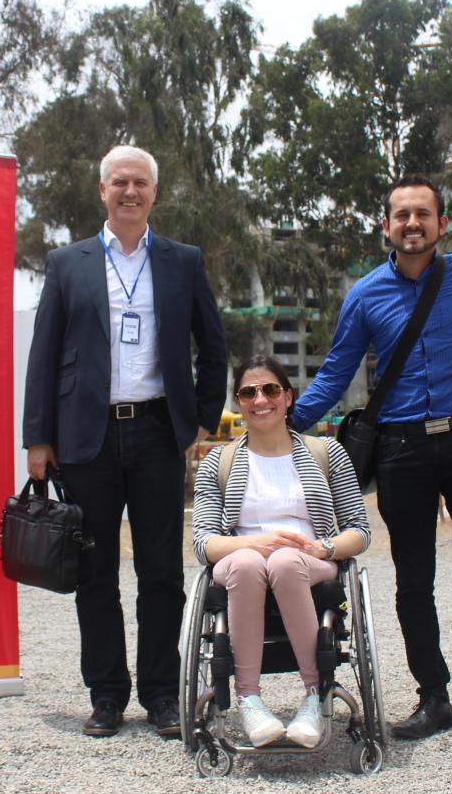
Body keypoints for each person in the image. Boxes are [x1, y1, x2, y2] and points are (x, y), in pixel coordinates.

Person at [289, 175, 452, 743]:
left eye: (424, 214)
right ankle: (433, 698)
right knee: (413, 582)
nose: (413, 224)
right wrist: (278, 426)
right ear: (386, 227)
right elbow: (335, 373)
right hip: (402, 450)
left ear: (442, 224)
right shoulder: (365, 294)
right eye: (402, 215)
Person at [23, 145, 227, 739]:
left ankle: (162, 693)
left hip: (161, 433)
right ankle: (107, 695)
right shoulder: (68, 263)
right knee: (95, 572)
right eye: (119, 183)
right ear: (102, 190)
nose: (130, 192)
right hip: (86, 438)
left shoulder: (183, 261)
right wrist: (38, 438)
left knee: (161, 571)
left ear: (154, 194)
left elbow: (212, 345)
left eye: (140, 183)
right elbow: (43, 356)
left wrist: (202, 419)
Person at [191, 355, 371, 747]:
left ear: (288, 397)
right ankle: (249, 699)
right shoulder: (217, 463)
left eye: (270, 390)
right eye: (248, 392)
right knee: (248, 562)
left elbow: (359, 531)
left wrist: (322, 547)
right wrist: (252, 543)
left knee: (287, 561)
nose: (260, 400)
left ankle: (314, 696)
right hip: (241, 563)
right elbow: (204, 543)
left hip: (309, 560)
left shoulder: (326, 452)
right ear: (238, 402)